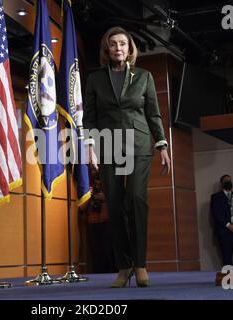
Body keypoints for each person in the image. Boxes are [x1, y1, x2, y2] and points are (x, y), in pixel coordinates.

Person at [83, 26, 171, 287]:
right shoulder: (95, 79)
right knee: (114, 202)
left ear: (129, 48)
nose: (118, 48)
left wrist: (162, 146)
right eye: (113, 44)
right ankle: (124, 266)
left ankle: (141, 264)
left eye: (122, 43)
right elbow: (89, 116)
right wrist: (90, 146)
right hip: (108, 145)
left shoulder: (144, 77)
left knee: (135, 198)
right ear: (107, 49)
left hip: (139, 144)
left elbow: (153, 113)